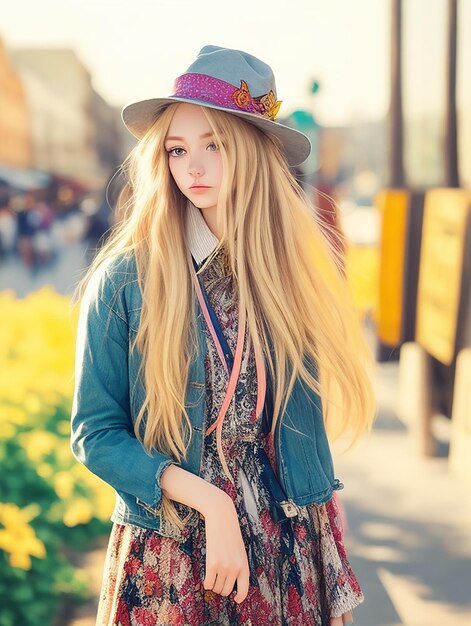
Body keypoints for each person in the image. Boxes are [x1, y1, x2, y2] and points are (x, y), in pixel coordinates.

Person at [70, 45, 376, 626]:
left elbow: (306, 441)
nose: (194, 167)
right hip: (172, 551)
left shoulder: (288, 277)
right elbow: (95, 432)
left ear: (253, 153)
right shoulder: (127, 279)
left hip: (285, 556)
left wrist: (332, 582)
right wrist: (212, 503)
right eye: (178, 149)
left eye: (215, 144)